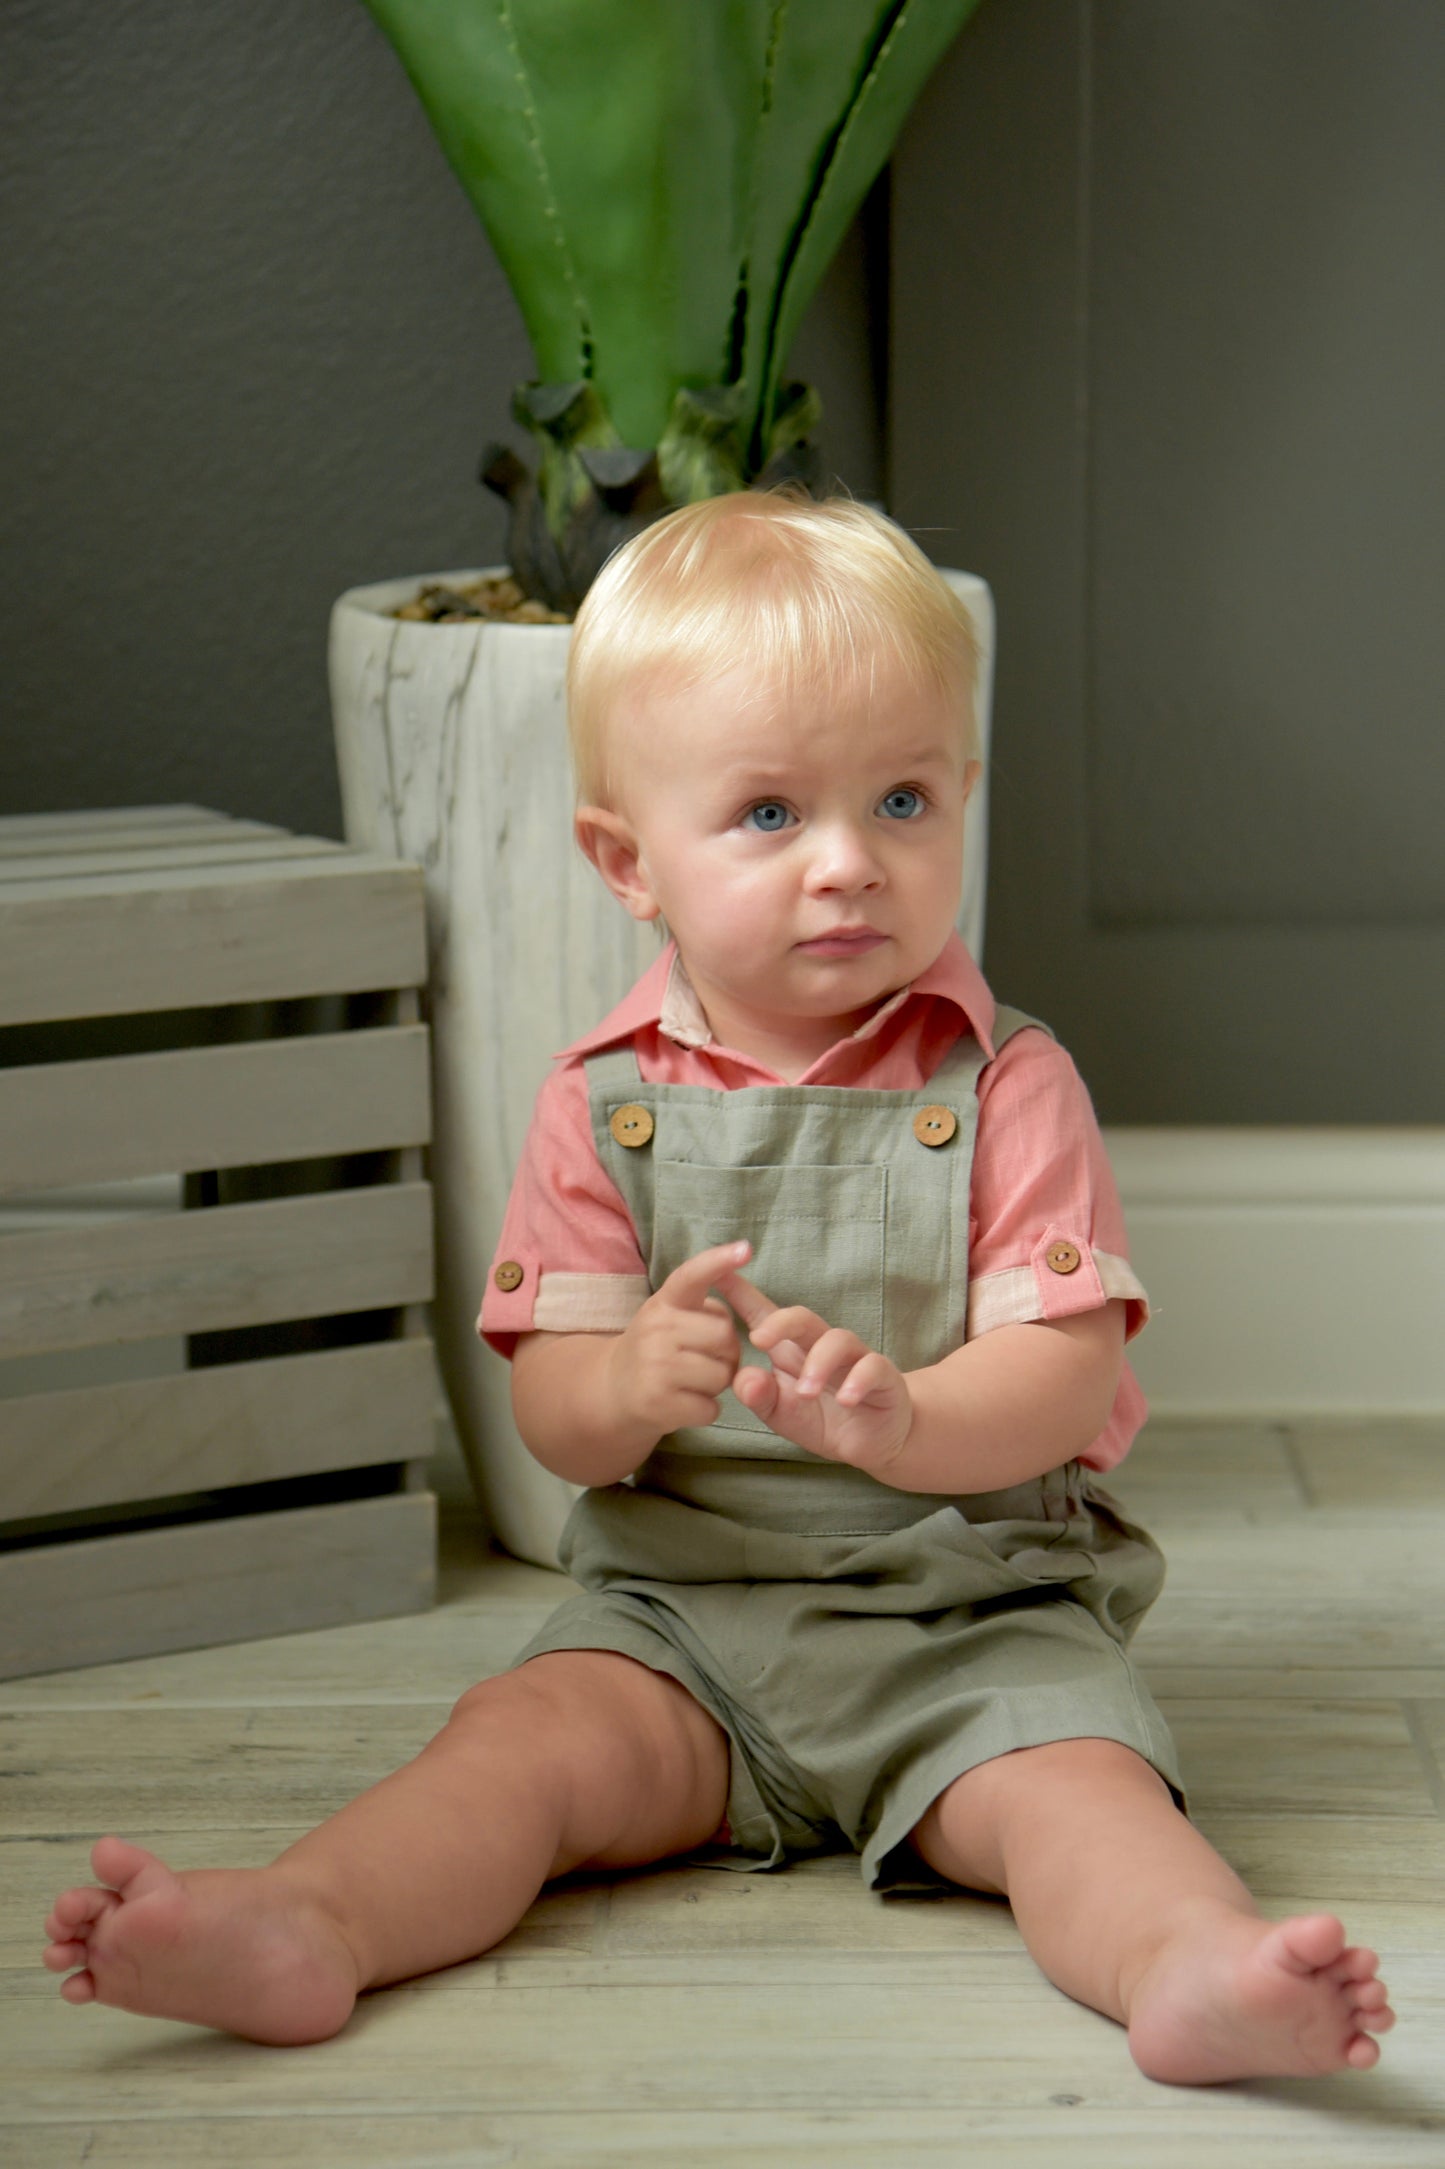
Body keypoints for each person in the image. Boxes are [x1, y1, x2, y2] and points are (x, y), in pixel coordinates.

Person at [42, 493, 1393, 2080]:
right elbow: (552, 1417)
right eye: (768, 815)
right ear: (629, 861)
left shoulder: (1007, 1081)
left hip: (964, 1617)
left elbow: (1067, 1375)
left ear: (963, 795)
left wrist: (901, 1416)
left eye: (901, 799)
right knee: (514, 1754)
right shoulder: (599, 1099)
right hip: (681, 1623)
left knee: (1079, 1789)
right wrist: (622, 1385)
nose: (847, 864)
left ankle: (1187, 1965)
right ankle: (306, 1921)